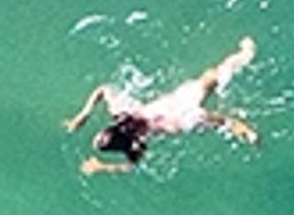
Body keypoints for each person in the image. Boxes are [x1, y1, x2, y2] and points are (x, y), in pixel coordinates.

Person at [65, 36, 262, 173]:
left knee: (220, 117)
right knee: (214, 76)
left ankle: (247, 131)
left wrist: (102, 167)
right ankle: (245, 55)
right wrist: (84, 114)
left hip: (180, 115)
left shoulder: (135, 144)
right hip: (179, 108)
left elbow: (132, 167)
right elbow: (103, 90)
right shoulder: (124, 113)